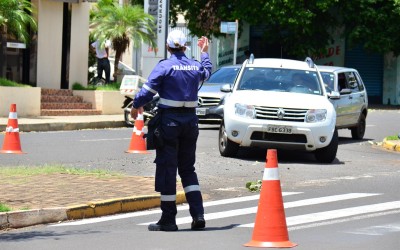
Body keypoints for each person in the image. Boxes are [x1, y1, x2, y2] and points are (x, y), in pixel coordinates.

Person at [130, 30, 212, 231]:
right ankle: (198, 214)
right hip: (190, 124)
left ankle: (168, 219)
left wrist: (135, 105)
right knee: (187, 169)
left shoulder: (165, 66)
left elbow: (148, 91)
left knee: (168, 169)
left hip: (169, 125)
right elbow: (207, 72)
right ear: (185, 46)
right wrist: (205, 53)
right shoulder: (195, 66)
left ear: (168, 46)